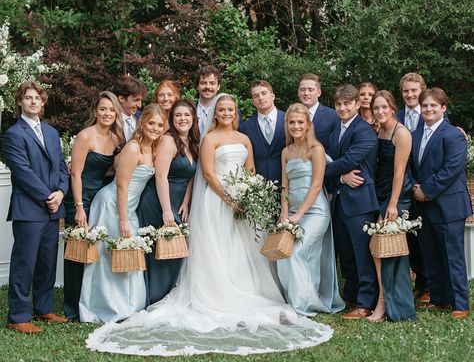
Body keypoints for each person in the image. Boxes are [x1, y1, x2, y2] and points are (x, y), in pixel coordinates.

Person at [86, 94, 333, 356]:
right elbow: (206, 173)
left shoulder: (244, 139)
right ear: (215, 113)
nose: (226, 113)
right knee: (218, 248)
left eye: (230, 109)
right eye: (222, 109)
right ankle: (216, 292)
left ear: (235, 112)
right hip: (216, 202)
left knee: (242, 249)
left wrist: (247, 194)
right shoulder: (210, 139)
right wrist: (228, 198)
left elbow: (250, 170)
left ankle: (248, 290)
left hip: (241, 203)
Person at [79, 104, 167, 322]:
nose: (155, 128)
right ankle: (102, 308)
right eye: (151, 123)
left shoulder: (152, 149)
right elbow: (121, 185)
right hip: (112, 205)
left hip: (128, 207)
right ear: (142, 123)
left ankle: (129, 307)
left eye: (159, 125)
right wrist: (124, 219)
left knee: (129, 253)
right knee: (109, 255)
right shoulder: (134, 148)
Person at [3, 81, 69, 333]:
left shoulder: (52, 133)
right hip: (29, 209)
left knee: (47, 262)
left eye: (37, 98)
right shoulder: (14, 134)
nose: (33, 101)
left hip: (53, 208)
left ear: (42, 103)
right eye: (27, 97)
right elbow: (22, 172)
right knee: (25, 262)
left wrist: (61, 192)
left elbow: (61, 166)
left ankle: (44, 309)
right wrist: (48, 197)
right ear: (19, 102)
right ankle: (18, 316)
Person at [277, 103, 344, 316]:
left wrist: (299, 214)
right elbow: (284, 186)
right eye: (291, 122)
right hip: (293, 212)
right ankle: (300, 297)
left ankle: (301, 305)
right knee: (285, 252)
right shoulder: (286, 151)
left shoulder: (316, 149)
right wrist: (284, 214)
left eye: (300, 122)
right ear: (287, 125)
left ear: (308, 125)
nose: (296, 126)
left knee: (298, 251)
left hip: (315, 211)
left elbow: (316, 185)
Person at [63, 91, 124, 321]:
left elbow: (107, 169)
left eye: (111, 109)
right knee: (76, 251)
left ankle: (89, 301)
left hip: (99, 196)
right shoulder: (85, 136)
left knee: (94, 251)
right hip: (80, 196)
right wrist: (79, 207)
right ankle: (71, 308)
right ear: (95, 112)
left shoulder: (116, 138)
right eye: (103, 109)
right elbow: (76, 173)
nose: (107, 113)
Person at [412, 88, 471, 319]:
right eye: (424, 106)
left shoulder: (453, 134)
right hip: (423, 206)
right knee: (431, 254)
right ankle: (439, 298)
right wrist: (415, 188)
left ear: (443, 108)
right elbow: (411, 167)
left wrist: (426, 190)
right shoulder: (415, 135)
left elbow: (451, 169)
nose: (428, 109)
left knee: (452, 255)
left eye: (433, 106)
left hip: (448, 205)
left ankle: (460, 304)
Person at [324, 84, 379, 320]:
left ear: (357, 104)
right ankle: (352, 296)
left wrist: (324, 169)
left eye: (347, 103)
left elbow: (350, 160)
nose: (343, 107)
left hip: (360, 202)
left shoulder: (365, 131)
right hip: (339, 200)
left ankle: (366, 303)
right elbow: (338, 162)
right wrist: (339, 176)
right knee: (346, 254)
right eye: (339, 104)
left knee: (362, 254)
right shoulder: (336, 128)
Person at [137, 99, 198, 305]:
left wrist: (187, 200)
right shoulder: (168, 140)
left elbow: (191, 175)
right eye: (178, 115)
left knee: (175, 252)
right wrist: (166, 210)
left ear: (193, 118)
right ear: (172, 119)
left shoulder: (193, 141)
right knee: (159, 253)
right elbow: (160, 176)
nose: (183, 119)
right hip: (158, 202)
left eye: (187, 115)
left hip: (178, 202)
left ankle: (168, 296)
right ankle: (154, 298)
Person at [367, 91, 415, 322]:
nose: (380, 111)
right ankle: (386, 300)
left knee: (385, 249)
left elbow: (400, 171)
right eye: (376, 108)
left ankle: (386, 304)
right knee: (380, 248)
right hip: (380, 192)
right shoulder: (379, 130)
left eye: (384, 107)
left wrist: (393, 204)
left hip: (397, 195)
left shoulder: (401, 133)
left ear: (393, 108)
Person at [396, 72, 429, 303]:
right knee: (408, 239)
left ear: (422, 91)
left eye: (414, 90)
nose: (409, 94)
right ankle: (417, 283)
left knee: (425, 238)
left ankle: (428, 285)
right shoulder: (395, 117)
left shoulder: (431, 114)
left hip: (424, 187)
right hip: (401, 185)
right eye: (406, 91)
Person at [240, 80, 286, 184]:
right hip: (258, 188)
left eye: (264, 93)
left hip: (286, 185)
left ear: (273, 96)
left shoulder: (289, 120)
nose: (260, 98)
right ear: (253, 102)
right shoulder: (245, 128)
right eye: (256, 96)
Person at [297, 73, 339, 150]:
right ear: (298, 92)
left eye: (310, 90)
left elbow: (335, 147)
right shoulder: (291, 115)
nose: (306, 93)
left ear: (319, 92)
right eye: (302, 89)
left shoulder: (333, 116)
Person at [113, 76, 147, 142]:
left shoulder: (143, 117)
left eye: (140, 100)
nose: (140, 105)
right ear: (121, 98)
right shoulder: (110, 121)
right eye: (136, 100)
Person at [195, 64, 222, 136]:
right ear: (197, 86)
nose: (207, 87)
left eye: (212, 83)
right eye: (203, 83)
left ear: (218, 86)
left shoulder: (229, 113)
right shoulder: (189, 110)